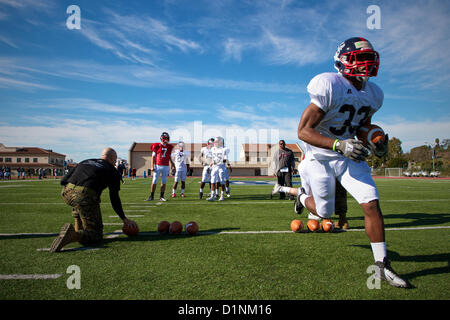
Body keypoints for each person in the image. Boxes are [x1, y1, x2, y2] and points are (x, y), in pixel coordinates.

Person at [272, 37, 409, 288]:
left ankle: (382, 265)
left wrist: (376, 139)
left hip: (349, 154)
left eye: (370, 58)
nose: (367, 64)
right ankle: (301, 196)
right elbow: (303, 131)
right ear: (343, 61)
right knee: (324, 212)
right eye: (362, 58)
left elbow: (362, 126)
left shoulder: (373, 94)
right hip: (320, 157)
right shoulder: (330, 85)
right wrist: (338, 144)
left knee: (371, 202)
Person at [49, 147, 137, 253]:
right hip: (83, 196)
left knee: (80, 200)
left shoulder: (85, 161)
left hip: (66, 192)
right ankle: (73, 235)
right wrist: (124, 218)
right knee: (96, 236)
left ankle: (77, 214)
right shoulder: (112, 170)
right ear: (113, 158)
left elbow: (63, 181)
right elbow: (114, 198)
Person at [145, 132, 175, 201]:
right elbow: (153, 157)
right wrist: (152, 166)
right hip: (158, 165)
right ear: (162, 138)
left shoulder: (169, 147)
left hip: (165, 166)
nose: (167, 139)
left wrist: (173, 165)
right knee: (154, 180)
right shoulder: (157, 145)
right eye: (166, 138)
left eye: (167, 138)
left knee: (164, 181)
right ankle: (151, 196)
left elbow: (169, 157)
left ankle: (161, 196)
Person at [207, 136, 227, 201]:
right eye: (215, 142)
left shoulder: (224, 149)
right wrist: (211, 164)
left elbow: (224, 160)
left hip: (221, 167)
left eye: (216, 142)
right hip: (214, 167)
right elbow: (213, 158)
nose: (215, 143)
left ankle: (222, 196)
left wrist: (216, 161)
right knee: (212, 181)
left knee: (222, 181)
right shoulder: (213, 149)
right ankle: (212, 196)